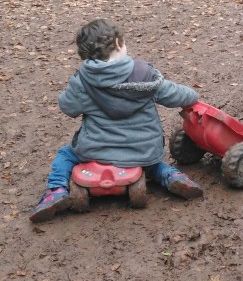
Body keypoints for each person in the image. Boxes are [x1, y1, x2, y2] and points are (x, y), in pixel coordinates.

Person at [30, 18, 203, 222]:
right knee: (153, 163)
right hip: (142, 149)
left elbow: (68, 107)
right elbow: (175, 94)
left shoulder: (83, 81)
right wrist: (192, 95)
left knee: (66, 155)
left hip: (95, 150)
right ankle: (170, 176)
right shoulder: (144, 75)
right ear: (119, 44)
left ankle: (56, 190)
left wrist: (74, 86)